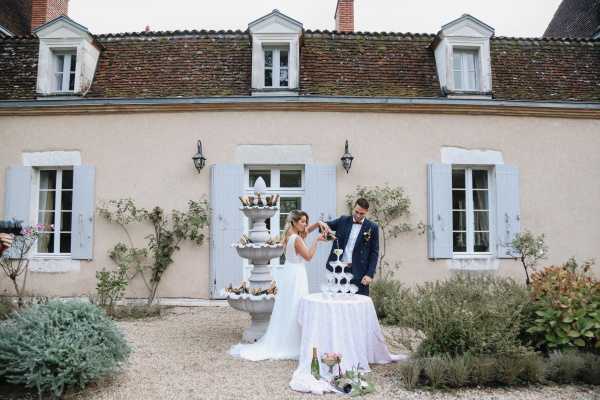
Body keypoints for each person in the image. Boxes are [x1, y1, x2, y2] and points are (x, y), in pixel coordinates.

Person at [229, 210, 326, 361]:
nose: (305, 224)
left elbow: (306, 230)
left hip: (289, 272)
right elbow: (308, 256)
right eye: (302, 221)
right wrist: (317, 241)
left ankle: (286, 338)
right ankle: (293, 342)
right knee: (296, 306)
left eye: (306, 221)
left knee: (289, 306)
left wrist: (317, 224)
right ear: (294, 222)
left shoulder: (288, 235)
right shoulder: (297, 239)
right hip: (297, 275)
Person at [315, 198, 379, 296]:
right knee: (339, 302)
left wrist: (369, 274)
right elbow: (323, 228)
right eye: (356, 212)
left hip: (360, 272)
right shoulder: (343, 220)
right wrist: (321, 223)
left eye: (361, 213)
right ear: (353, 208)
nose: (358, 215)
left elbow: (374, 253)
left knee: (358, 305)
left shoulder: (372, 227)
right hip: (340, 270)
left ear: (366, 212)